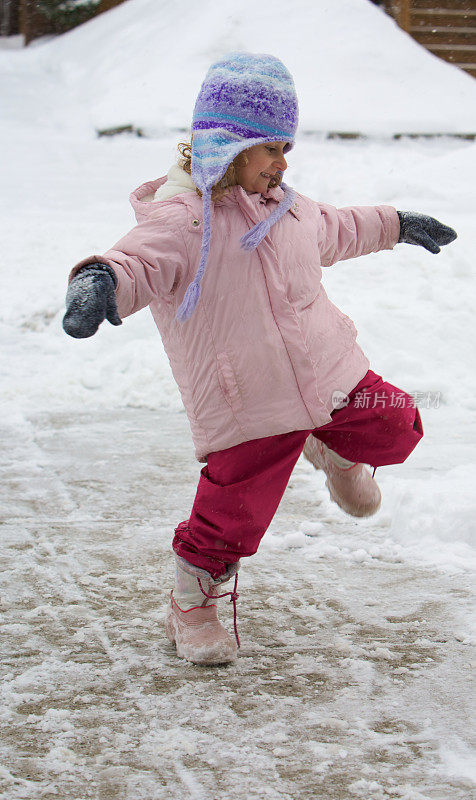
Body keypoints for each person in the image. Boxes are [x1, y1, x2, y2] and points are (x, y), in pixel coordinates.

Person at [63, 52, 457, 666]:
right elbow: (135, 261)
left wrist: (397, 222)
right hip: (247, 402)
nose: (284, 162)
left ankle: (333, 449)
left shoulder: (290, 210)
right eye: (271, 148)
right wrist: (98, 283)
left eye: (286, 148)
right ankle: (192, 602)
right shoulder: (181, 222)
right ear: (228, 147)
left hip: (329, 375)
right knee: (232, 520)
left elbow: (343, 226)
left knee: (397, 423)